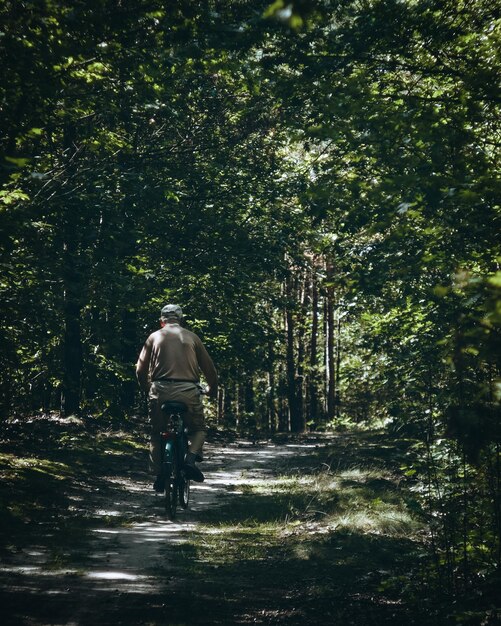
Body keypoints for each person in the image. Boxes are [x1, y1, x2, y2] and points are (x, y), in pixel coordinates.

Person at [136, 304, 218, 487]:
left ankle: (159, 474)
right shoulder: (191, 337)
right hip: (188, 391)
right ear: (181, 319)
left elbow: (140, 369)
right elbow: (210, 369)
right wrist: (212, 389)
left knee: (157, 433)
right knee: (198, 430)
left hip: (160, 390)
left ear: (161, 320)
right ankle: (189, 460)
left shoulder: (154, 337)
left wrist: (146, 387)